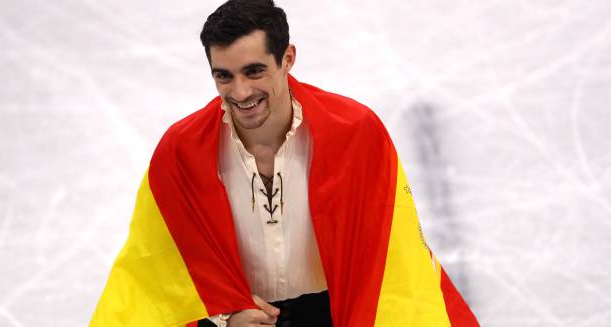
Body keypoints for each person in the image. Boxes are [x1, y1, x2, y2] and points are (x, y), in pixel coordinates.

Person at [90, 1, 479, 326]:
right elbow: (159, 268)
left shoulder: (356, 134)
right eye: (223, 76)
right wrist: (225, 313)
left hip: (331, 315)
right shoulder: (181, 151)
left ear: (287, 58)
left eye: (254, 71)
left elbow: (389, 260)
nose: (240, 92)